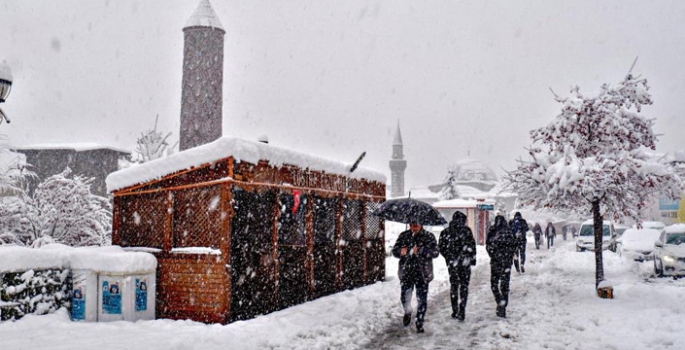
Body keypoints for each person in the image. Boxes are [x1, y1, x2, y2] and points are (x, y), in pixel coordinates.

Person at [392, 221, 440, 333]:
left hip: (423, 273)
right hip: (406, 272)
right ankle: (407, 311)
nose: (414, 228)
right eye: (411, 225)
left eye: (416, 226)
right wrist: (401, 251)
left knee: (422, 299)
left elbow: (436, 252)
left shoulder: (428, 236)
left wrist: (422, 250)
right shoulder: (404, 236)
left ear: (421, 225)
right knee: (404, 297)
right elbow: (394, 251)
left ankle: (420, 321)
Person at [438, 211, 476, 321]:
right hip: (465, 263)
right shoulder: (467, 231)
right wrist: (471, 259)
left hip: (452, 264)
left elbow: (441, 246)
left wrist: (448, 258)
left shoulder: (446, 232)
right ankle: (462, 310)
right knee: (464, 286)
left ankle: (455, 310)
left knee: (454, 286)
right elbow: (472, 246)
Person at [486, 214, 518, 318]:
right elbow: (515, 245)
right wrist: (508, 256)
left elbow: (488, 245)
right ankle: (502, 308)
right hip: (507, 263)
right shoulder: (509, 232)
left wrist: (493, 255)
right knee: (505, 286)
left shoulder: (493, 230)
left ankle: (499, 300)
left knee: (494, 284)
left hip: (496, 262)